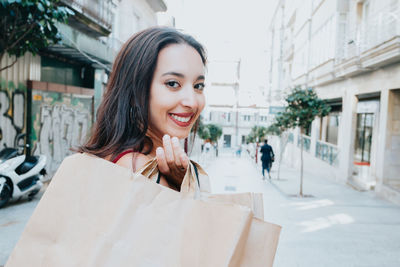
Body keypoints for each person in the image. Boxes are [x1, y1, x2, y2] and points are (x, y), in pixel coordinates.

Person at [78, 27, 207, 191]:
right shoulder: (139, 168)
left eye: (198, 86)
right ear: (134, 92)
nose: (192, 102)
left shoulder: (118, 156)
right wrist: (180, 188)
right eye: (173, 84)